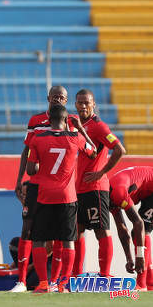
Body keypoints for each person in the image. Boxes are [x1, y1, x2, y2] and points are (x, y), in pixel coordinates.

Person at [12, 86, 95, 293]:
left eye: (62, 97)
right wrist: (82, 130)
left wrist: (39, 163)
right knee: (67, 240)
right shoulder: (74, 135)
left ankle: (43, 283)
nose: (58, 99)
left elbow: (31, 168)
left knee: (38, 238)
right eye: (55, 96)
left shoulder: (39, 138)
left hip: (43, 193)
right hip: (67, 194)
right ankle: (62, 284)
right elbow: (93, 152)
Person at [73, 89, 126, 278]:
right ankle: (75, 275)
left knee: (101, 231)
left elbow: (120, 150)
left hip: (96, 188)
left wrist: (101, 172)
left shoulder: (99, 126)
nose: (83, 106)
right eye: (80, 102)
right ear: (75, 104)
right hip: (79, 188)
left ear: (94, 104)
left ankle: (105, 275)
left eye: (87, 102)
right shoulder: (78, 125)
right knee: (77, 231)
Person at [109, 166, 151, 290]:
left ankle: (141, 284)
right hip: (145, 189)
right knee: (137, 233)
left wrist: (139, 257)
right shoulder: (108, 199)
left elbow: (138, 223)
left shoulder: (117, 193)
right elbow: (122, 230)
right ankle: (150, 282)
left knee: (143, 228)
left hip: (151, 186)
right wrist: (129, 258)